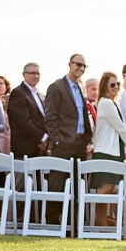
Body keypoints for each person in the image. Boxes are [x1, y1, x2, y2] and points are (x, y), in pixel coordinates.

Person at [44, 54, 94, 228]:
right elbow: (50, 117)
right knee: (57, 185)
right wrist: (57, 141)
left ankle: (73, 225)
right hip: (63, 144)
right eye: (78, 64)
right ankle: (51, 225)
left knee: (77, 187)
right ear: (69, 64)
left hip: (80, 144)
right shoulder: (57, 87)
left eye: (83, 66)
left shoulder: (80, 87)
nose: (80, 68)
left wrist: (87, 138)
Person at [91, 72, 126, 226]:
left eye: (118, 84)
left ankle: (104, 224)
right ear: (105, 86)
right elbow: (121, 128)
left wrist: (125, 151)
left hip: (114, 152)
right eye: (112, 84)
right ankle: (101, 225)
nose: (116, 86)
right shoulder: (106, 103)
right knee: (104, 190)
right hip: (106, 153)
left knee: (108, 190)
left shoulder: (113, 103)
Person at [8, 63, 48, 160]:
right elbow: (23, 122)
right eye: (33, 73)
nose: (36, 76)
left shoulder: (41, 95)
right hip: (24, 150)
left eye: (38, 73)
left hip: (40, 150)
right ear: (24, 74)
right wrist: (43, 137)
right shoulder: (18, 93)